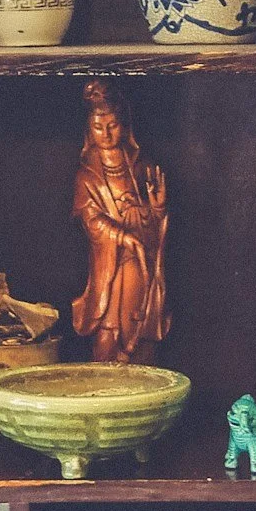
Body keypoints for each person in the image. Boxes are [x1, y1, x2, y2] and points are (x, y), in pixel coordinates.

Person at [70, 80, 169, 364]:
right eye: (98, 127)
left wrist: (157, 206)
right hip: (111, 263)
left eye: (112, 126)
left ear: (124, 127)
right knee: (108, 334)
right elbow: (91, 220)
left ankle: (139, 368)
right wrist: (121, 235)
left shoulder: (140, 166)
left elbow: (153, 224)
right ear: (89, 130)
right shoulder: (86, 175)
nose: (106, 133)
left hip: (139, 261)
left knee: (138, 327)